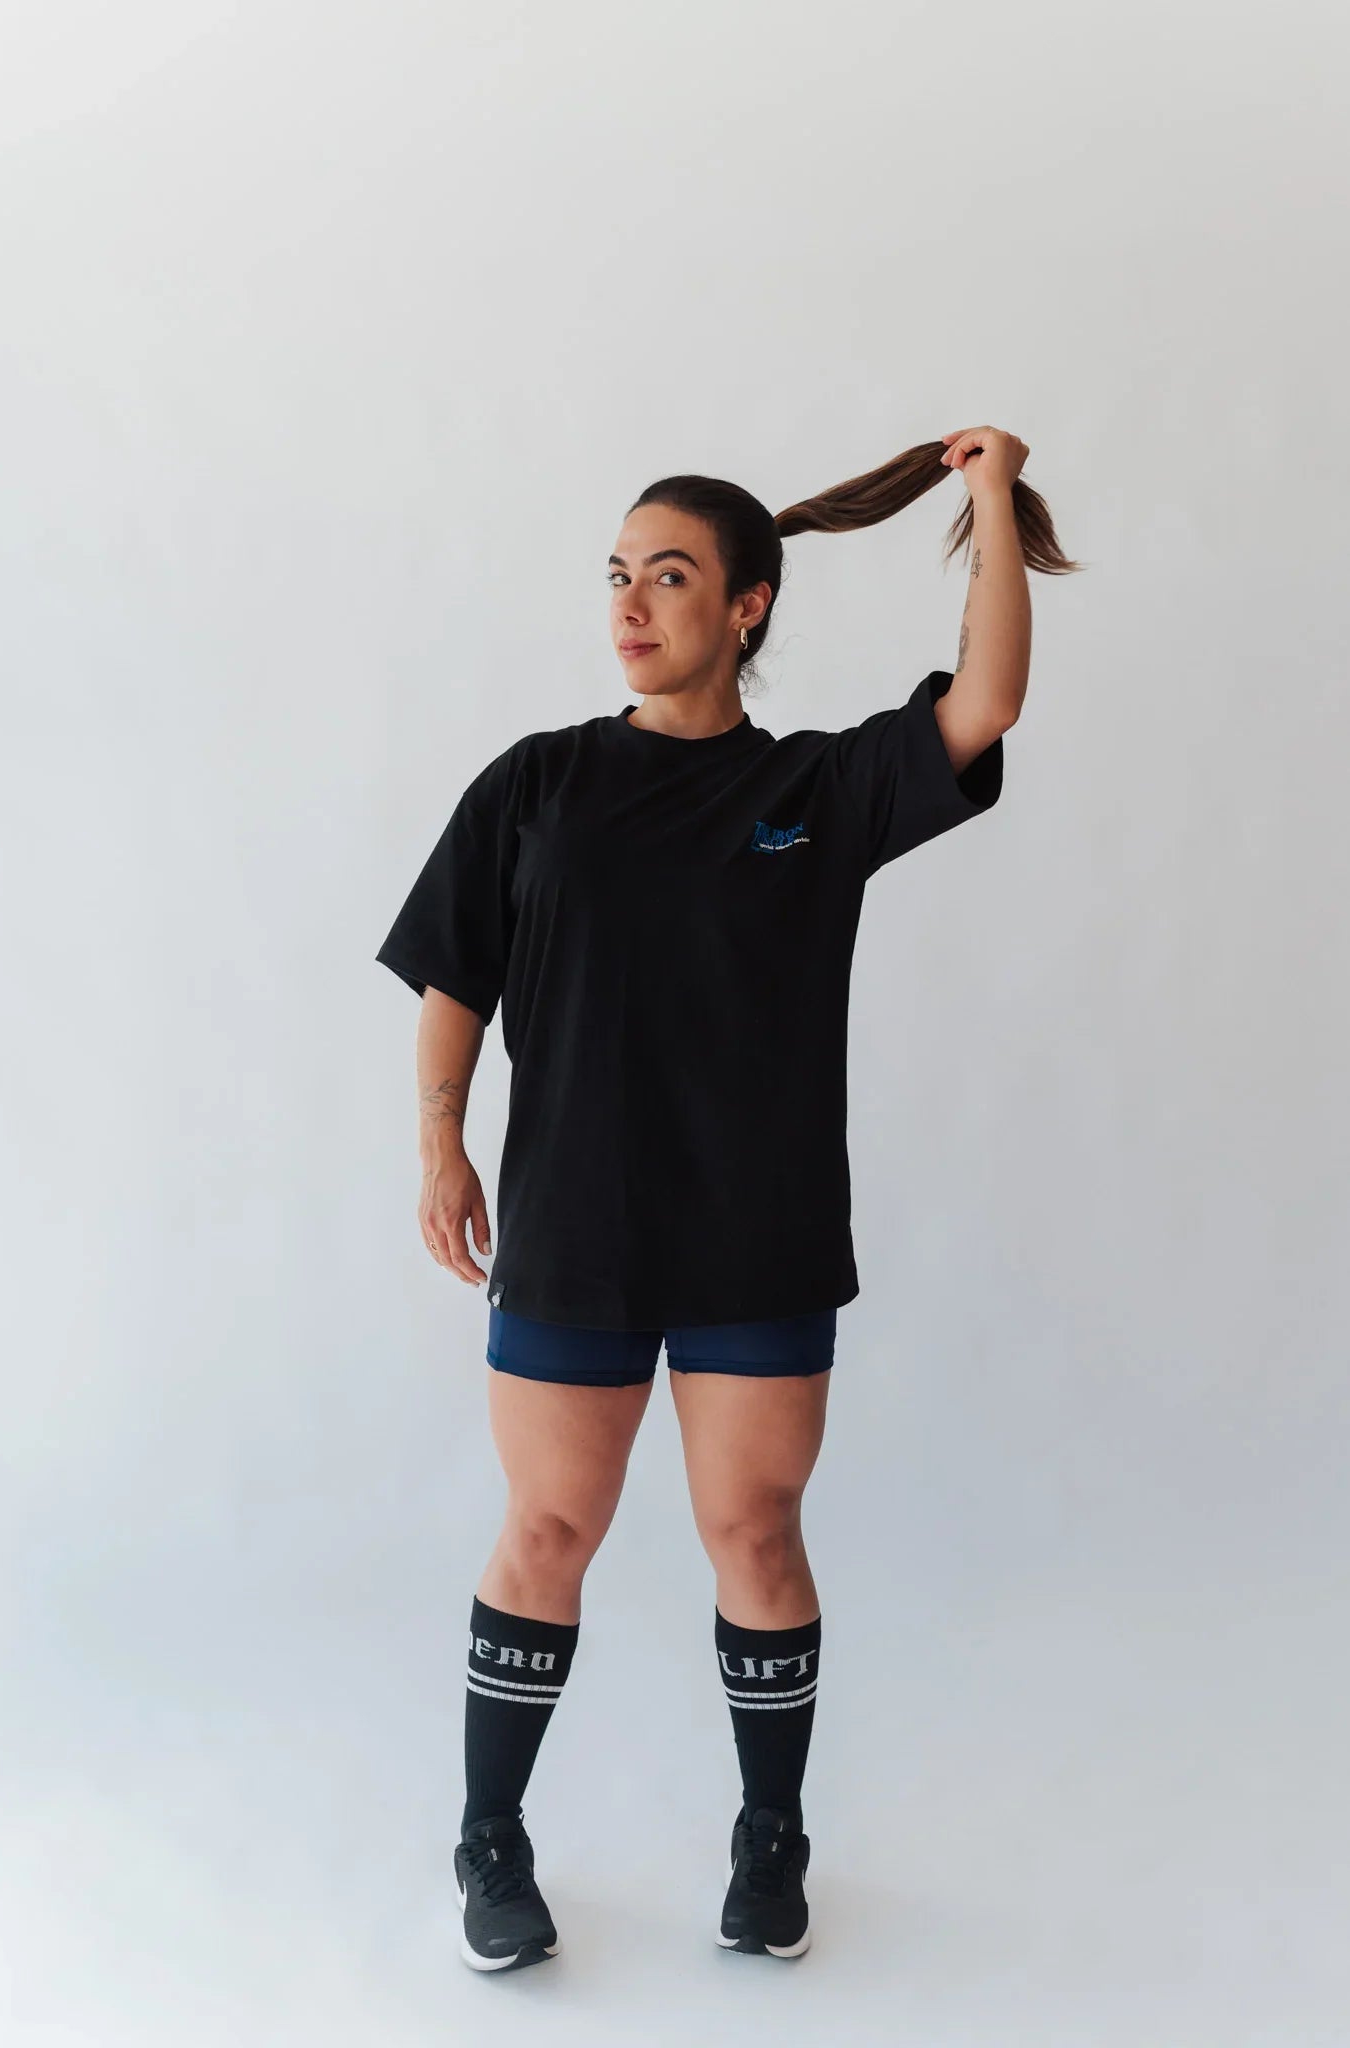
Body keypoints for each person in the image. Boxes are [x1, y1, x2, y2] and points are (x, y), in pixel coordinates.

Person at [374, 428, 1079, 1971]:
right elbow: (453, 975)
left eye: (671, 576)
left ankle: (772, 1840)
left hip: (759, 1236)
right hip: (575, 1229)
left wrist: (986, 497)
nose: (630, 604)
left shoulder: (814, 790)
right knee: (546, 1528)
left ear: (749, 605)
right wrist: (441, 1144)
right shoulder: (541, 781)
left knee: (755, 1533)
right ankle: (490, 1838)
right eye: (618, 576)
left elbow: (988, 702)